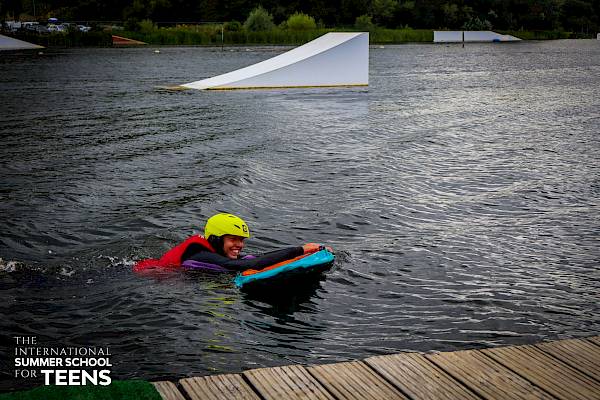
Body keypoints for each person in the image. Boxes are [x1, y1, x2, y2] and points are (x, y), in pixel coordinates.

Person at [133, 213, 330, 273]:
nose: (239, 245)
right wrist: (299, 249)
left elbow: (255, 258)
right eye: (233, 239)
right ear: (216, 239)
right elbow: (246, 265)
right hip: (147, 276)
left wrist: (306, 253)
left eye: (241, 240)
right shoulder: (198, 253)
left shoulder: (214, 250)